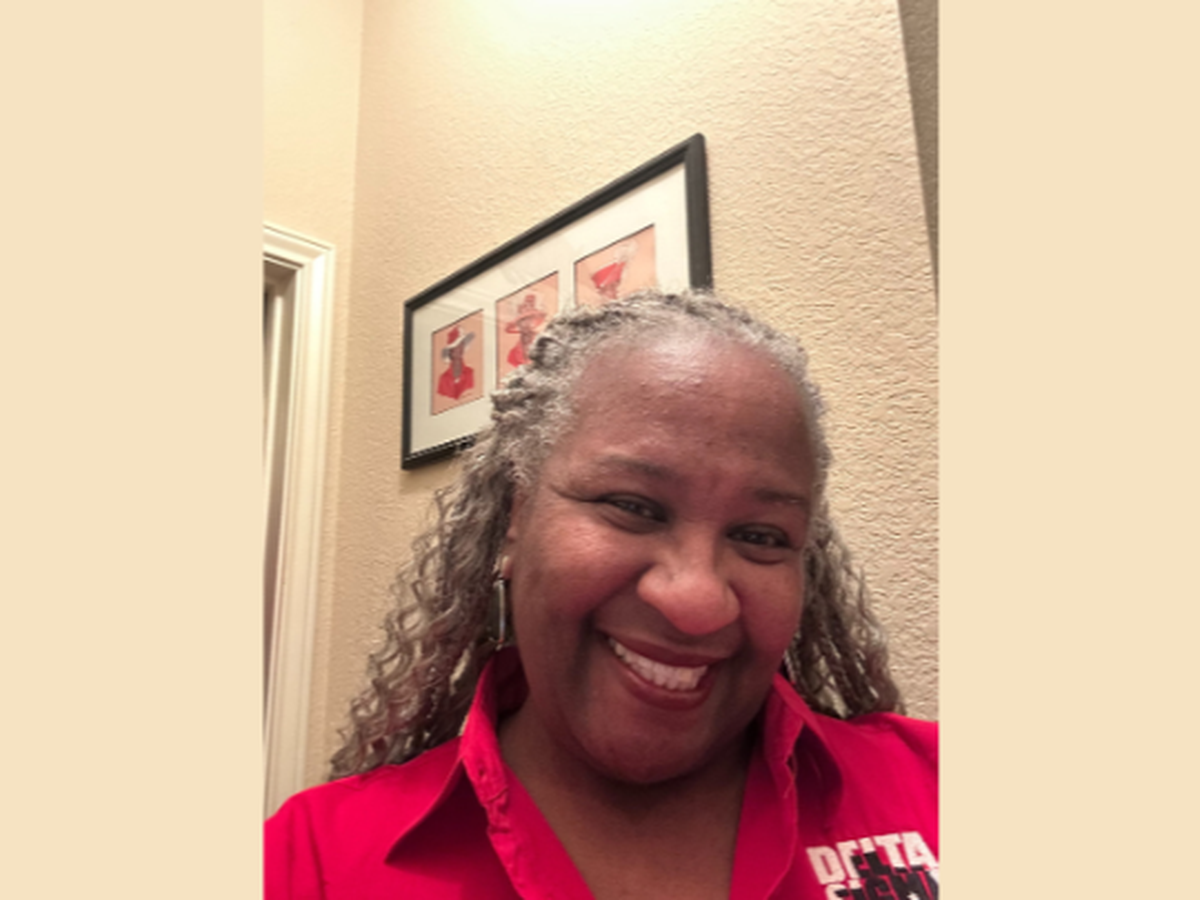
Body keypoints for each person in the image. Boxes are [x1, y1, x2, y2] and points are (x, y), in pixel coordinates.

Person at [265, 290, 938, 900]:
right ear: (516, 518)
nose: (697, 601)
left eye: (760, 536)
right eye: (632, 506)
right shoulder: (309, 863)